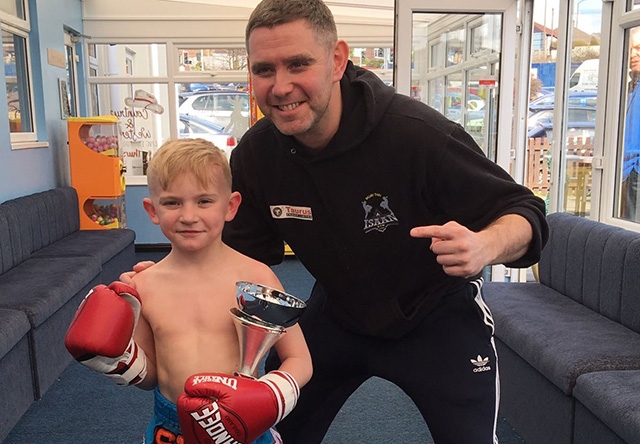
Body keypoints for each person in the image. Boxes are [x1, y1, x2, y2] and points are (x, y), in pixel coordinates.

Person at [124, 1, 548, 442]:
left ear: (337, 60)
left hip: (435, 316)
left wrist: (485, 245)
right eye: (264, 69)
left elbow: (526, 213)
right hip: (337, 315)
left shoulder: (416, 134)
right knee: (260, 427)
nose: (281, 86)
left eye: (298, 64)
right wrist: (172, 280)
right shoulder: (256, 156)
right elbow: (238, 257)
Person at [67, 138, 312, 444]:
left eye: (204, 201)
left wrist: (269, 396)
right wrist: (119, 361)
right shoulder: (143, 286)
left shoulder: (256, 277)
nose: (189, 215)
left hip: (241, 425)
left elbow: (300, 360)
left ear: (231, 206)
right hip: (170, 428)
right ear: (152, 209)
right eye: (172, 202)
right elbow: (153, 376)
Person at [621, 26, 640, 221]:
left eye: (639, 48)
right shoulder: (631, 86)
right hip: (627, 172)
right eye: (631, 50)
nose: (633, 55)